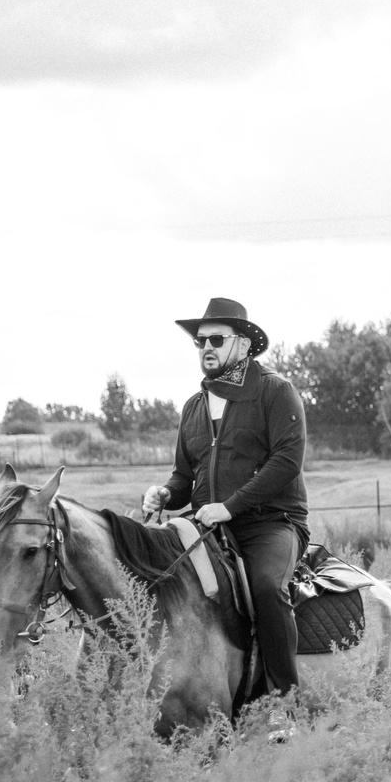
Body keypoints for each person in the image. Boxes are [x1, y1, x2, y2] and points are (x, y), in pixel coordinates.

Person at [141, 297, 310, 706]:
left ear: (244, 344)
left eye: (216, 339)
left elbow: (286, 461)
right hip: (208, 528)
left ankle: (284, 703)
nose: (206, 348)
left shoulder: (275, 391)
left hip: (271, 524)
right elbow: (185, 476)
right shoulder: (194, 407)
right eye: (200, 342)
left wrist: (230, 507)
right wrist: (165, 493)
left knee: (267, 589)